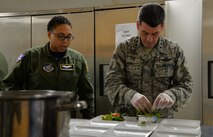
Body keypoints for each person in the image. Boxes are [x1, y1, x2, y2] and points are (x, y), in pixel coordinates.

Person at [105, 3, 193, 118]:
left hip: (161, 120)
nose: (150, 39)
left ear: (162, 27)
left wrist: (171, 94)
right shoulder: (124, 49)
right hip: (129, 121)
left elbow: (186, 85)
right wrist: (131, 95)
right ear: (138, 25)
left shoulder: (173, 50)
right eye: (145, 33)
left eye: (155, 33)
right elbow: (111, 83)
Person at [4, 16, 94, 119]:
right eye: (61, 36)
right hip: (35, 118)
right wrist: (19, 112)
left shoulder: (78, 60)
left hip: (66, 119)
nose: (65, 41)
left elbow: (87, 93)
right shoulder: (31, 56)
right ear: (49, 35)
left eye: (69, 37)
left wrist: (89, 119)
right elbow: (11, 84)